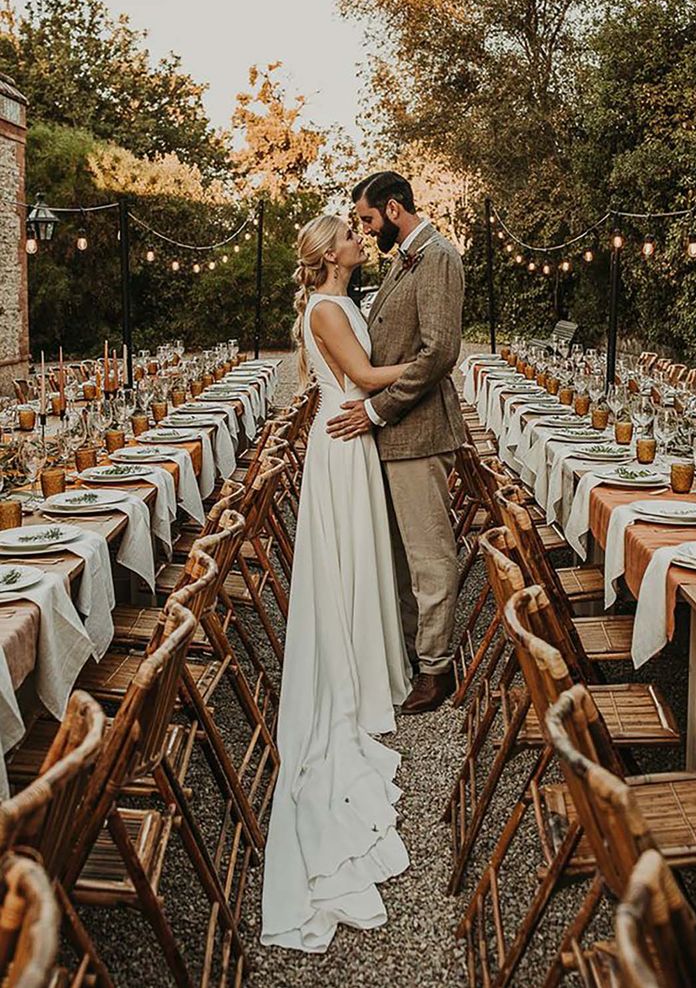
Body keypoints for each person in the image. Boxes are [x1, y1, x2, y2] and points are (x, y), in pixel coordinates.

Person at [261, 214, 413, 953]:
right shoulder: (327, 306)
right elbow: (366, 376)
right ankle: (351, 677)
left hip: (349, 435)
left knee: (358, 558)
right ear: (327, 256)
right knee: (348, 555)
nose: (360, 236)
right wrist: (430, 364)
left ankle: (364, 660)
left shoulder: (344, 299)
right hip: (341, 439)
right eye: (349, 232)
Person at [327, 171, 465, 714]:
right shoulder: (404, 258)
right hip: (393, 434)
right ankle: (412, 653)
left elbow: (438, 353)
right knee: (402, 556)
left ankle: (436, 669)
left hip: (420, 432)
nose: (363, 230)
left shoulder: (437, 258)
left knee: (430, 555)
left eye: (366, 220)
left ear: (393, 207)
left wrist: (376, 410)